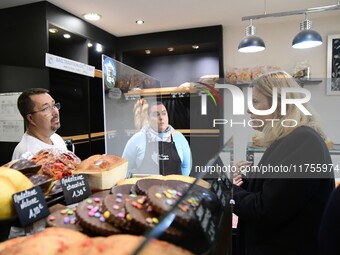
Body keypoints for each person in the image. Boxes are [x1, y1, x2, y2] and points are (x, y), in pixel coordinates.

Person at [232, 71, 335, 255]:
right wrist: (244, 184)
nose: (248, 109)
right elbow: (279, 194)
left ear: (279, 104)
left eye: (255, 102)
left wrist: (229, 191)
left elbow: (265, 211)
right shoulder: (290, 139)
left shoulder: (303, 142)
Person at [122, 101, 191, 176]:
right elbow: (125, 169)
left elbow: (186, 166)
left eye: (164, 114)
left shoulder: (179, 137)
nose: (161, 118)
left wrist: (180, 185)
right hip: (145, 187)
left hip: (174, 187)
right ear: (148, 118)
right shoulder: (137, 139)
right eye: (156, 114)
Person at [12, 88, 67, 160]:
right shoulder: (28, 154)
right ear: (31, 118)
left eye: (53, 105)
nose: (55, 112)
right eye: (46, 108)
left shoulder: (56, 138)